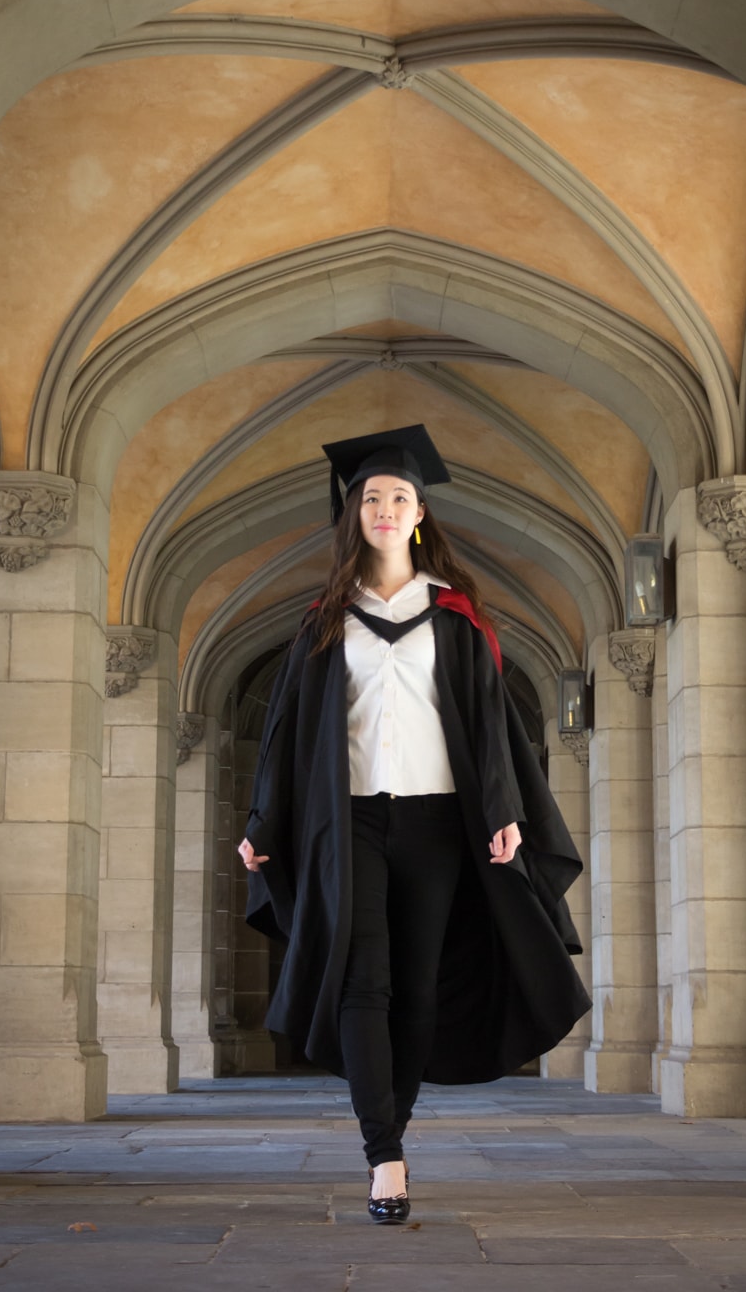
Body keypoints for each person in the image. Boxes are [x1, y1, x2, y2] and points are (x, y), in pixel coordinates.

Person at [239, 425, 591, 1224]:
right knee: (365, 983)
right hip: (349, 822)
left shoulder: (456, 619)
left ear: (420, 513)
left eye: (398, 497)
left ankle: (390, 1132)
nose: (385, 508)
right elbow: (287, 731)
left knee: (418, 990)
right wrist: (264, 819)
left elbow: (490, 727)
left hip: (439, 825)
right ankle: (384, 1158)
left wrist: (503, 812)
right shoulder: (325, 621)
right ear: (354, 514)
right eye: (371, 498)